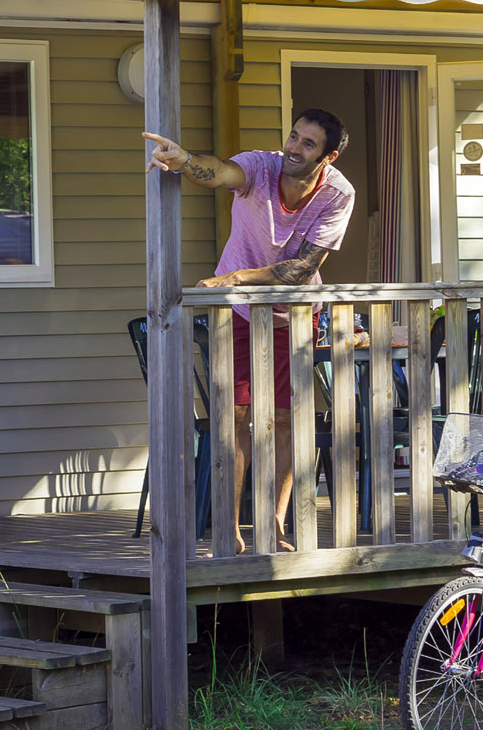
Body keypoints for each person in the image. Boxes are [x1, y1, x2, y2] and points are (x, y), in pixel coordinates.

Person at [143, 110, 355, 553]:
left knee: (286, 419)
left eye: (308, 144)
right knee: (235, 418)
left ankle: (274, 526)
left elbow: (302, 269)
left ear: (329, 156)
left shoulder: (337, 193)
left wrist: (237, 277)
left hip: (294, 316)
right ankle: (231, 531)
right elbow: (220, 171)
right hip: (238, 313)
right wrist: (185, 161)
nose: (294, 148)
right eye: (294, 137)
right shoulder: (261, 166)